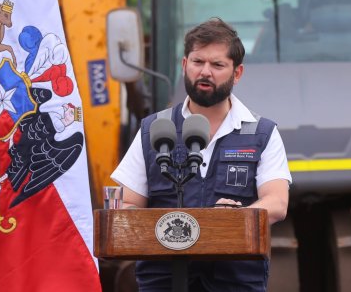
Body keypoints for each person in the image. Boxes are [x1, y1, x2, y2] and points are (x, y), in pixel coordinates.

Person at [110, 18, 292, 292]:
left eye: (217, 65)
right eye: (198, 62)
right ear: (185, 64)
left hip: (235, 281)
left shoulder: (262, 133)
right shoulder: (154, 129)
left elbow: (277, 203)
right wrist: (162, 227)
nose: (205, 72)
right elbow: (125, 205)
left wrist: (231, 221)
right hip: (164, 281)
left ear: (237, 73)